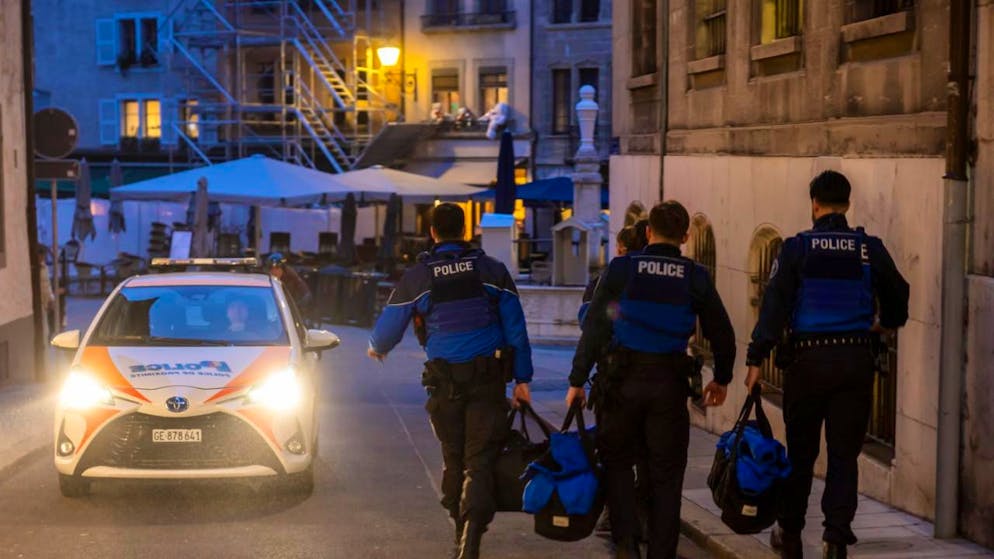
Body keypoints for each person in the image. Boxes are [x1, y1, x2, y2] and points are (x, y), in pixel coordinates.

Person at [744, 171, 909, 559]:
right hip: (854, 361)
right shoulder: (868, 248)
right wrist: (885, 323)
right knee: (843, 456)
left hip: (808, 363)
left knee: (801, 455)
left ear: (814, 204)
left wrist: (756, 359)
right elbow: (899, 293)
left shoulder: (797, 248)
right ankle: (835, 539)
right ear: (847, 205)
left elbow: (774, 307)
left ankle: (790, 534)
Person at [567, 201, 737, 559]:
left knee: (617, 465)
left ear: (648, 232)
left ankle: (626, 546)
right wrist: (722, 378)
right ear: (686, 237)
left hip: (621, 385)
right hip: (668, 387)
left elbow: (595, 326)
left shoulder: (623, 268)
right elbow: (721, 332)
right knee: (666, 477)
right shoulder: (694, 276)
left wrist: (577, 380)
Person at [367, 203, 534, 559]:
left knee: (454, 458)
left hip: (445, 386)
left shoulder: (419, 276)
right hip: (487, 382)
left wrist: (377, 348)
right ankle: (470, 542)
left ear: (432, 233)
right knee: (479, 461)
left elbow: (386, 329)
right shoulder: (492, 270)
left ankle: (461, 534)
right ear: (465, 230)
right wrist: (523, 379)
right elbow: (516, 329)